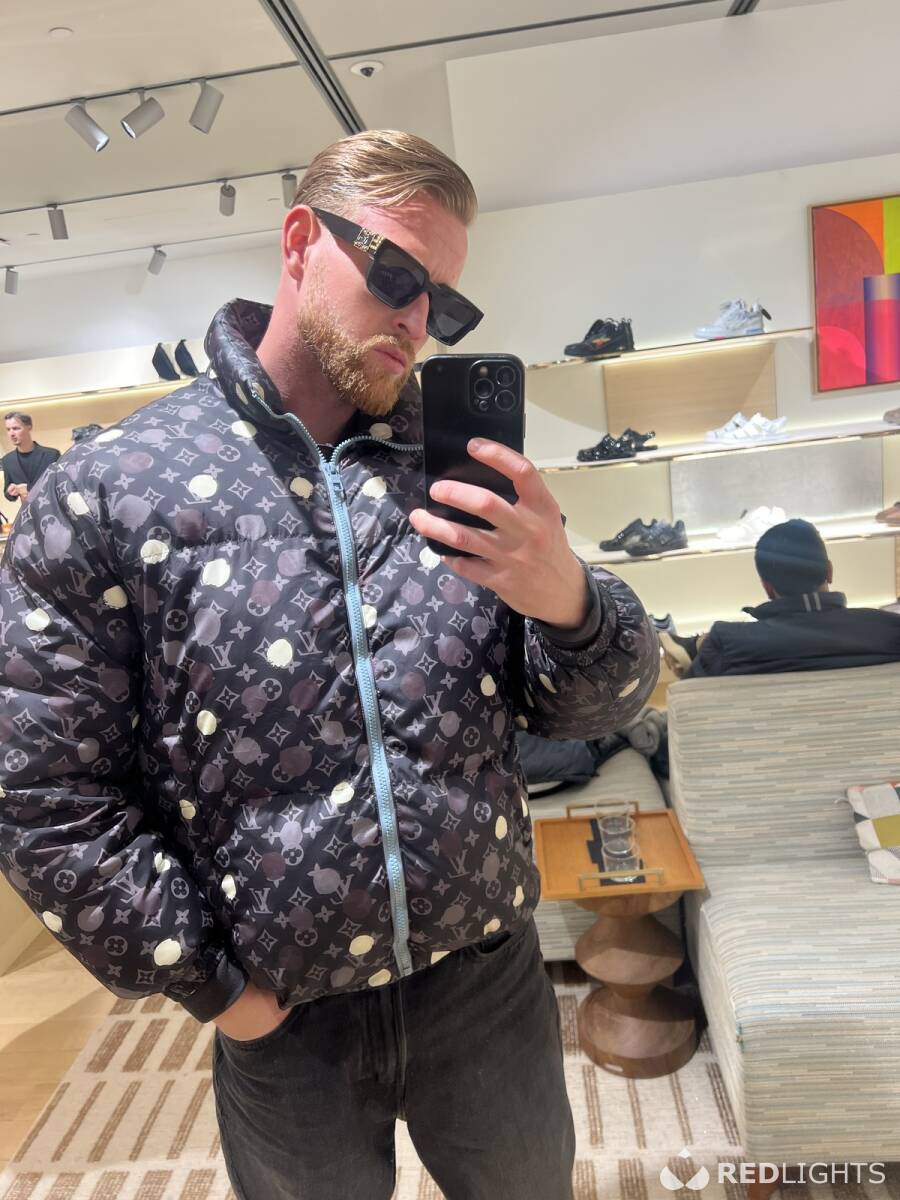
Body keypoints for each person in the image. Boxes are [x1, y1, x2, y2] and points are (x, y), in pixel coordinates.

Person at [0, 130, 659, 1200]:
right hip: (282, 1015)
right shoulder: (113, 489)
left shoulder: (453, 471)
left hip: (488, 986)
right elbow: (42, 788)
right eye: (396, 274)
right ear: (301, 239)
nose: (416, 319)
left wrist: (569, 600)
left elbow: (592, 709)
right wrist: (215, 989)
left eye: (444, 303)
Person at [661, 518, 900, 677]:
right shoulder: (890, 629)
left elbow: (690, 705)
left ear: (767, 587)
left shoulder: (728, 643)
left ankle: (696, 647)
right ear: (829, 571)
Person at [2, 412, 60, 504]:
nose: (11, 433)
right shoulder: (7, 460)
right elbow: (8, 494)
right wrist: (10, 492)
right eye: (8, 429)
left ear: (29, 427)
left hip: (53, 508)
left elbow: (60, 484)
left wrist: (28, 488)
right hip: (28, 511)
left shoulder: (52, 455)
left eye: (16, 428)